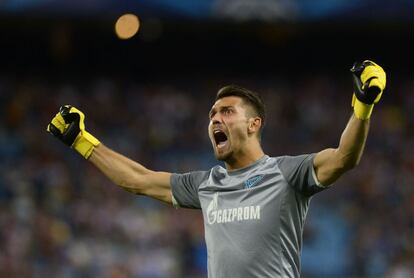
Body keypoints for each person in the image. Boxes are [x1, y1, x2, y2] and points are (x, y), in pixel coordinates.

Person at [47, 60, 386, 278]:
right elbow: (138, 180)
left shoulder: (287, 173)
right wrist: (81, 141)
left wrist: (363, 105)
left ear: (254, 124)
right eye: (211, 114)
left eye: (225, 112)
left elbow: (344, 157)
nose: (214, 119)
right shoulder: (206, 184)